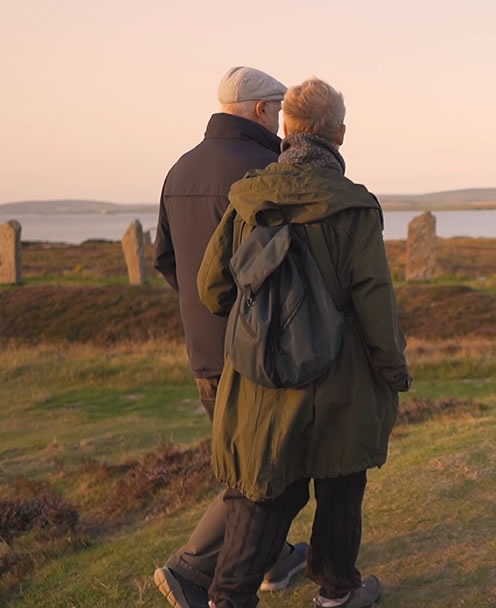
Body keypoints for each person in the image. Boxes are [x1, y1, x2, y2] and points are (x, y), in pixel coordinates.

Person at [197, 76, 410, 608]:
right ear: (339, 133)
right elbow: (375, 305)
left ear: (287, 128)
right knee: (340, 484)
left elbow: (211, 288)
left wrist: (264, 317)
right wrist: (393, 372)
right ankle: (337, 592)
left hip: (262, 378)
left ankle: (228, 596)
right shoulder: (354, 208)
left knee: (262, 493)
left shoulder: (247, 199)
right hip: (341, 378)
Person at [153, 66, 308, 608]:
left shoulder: (179, 170)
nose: (285, 123)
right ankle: (190, 568)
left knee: (247, 464)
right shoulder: (266, 168)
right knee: (259, 473)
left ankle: (275, 557)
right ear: (263, 111)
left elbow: (165, 259)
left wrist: (203, 311)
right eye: (280, 111)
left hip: (203, 352)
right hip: (254, 353)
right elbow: (288, 266)